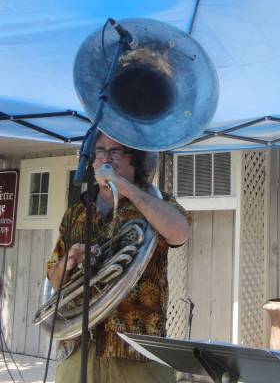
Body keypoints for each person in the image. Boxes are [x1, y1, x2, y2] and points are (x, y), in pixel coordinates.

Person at [46, 131, 191, 383]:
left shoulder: (158, 202)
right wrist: (67, 263)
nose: (105, 159)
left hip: (136, 352)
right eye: (99, 151)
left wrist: (124, 187)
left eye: (115, 152)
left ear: (135, 160)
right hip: (78, 347)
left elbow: (179, 233)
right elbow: (55, 281)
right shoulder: (76, 212)